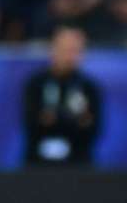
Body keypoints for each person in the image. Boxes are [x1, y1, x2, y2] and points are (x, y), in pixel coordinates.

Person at [23, 26, 101, 165]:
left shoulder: (89, 87)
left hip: (78, 164)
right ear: (53, 49)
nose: (70, 56)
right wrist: (74, 120)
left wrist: (52, 119)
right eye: (65, 49)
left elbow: (93, 129)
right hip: (38, 165)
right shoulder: (36, 84)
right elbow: (31, 124)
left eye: (75, 50)